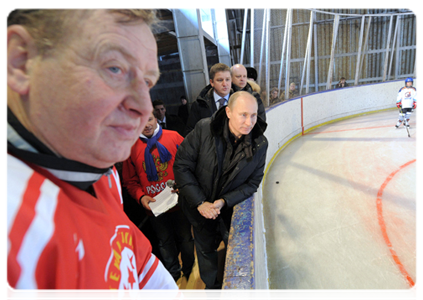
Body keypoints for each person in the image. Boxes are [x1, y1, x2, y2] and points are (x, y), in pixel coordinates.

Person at [5, 8, 186, 300]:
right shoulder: (11, 229)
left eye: (147, 82)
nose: (143, 108)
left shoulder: (99, 171)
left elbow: (134, 262)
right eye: (114, 68)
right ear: (21, 62)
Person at [173, 91, 268, 300]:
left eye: (253, 116)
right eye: (243, 115)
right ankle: (213, 293)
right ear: (228, 112)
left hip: (228, 210)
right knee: (206, 250)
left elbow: (252, 183)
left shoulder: (260, 144)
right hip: (197, 208)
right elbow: (181, 166)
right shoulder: (203, 129)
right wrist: (200, 202)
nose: (249, 122)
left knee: (230, 248)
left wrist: (224, 201)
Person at [122, 112, 195, 282]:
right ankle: (173, 274)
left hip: (179, 203)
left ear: (156, 119)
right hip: (154, 208)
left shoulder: (174, 137)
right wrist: (141, 197)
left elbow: (191, 164)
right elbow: (130, 181)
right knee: (164, 241)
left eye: (149, 119)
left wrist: (183, 185)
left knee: (186, 237)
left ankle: (189, 270)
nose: (146, 124)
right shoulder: (131, 148)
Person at [185, 63, 233, 135]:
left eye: (227, 79)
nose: (225, 84)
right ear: (212, 82)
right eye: (220, 80)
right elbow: (190, 133)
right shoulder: (199, 105)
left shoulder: (241, 102)